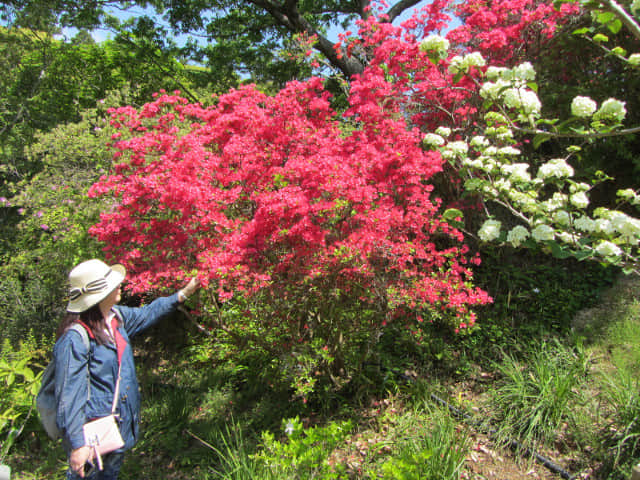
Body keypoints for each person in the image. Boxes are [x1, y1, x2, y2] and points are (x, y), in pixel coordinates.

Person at [54, 259, 199, 479]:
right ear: (100, 293)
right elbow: (68, 395)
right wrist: (77, 445)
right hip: (93, 437)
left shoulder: (116, 318)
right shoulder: (76, 337)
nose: (120, 285)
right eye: (113, 283)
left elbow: (148, 313)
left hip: (117, 429)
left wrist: (183, 294)